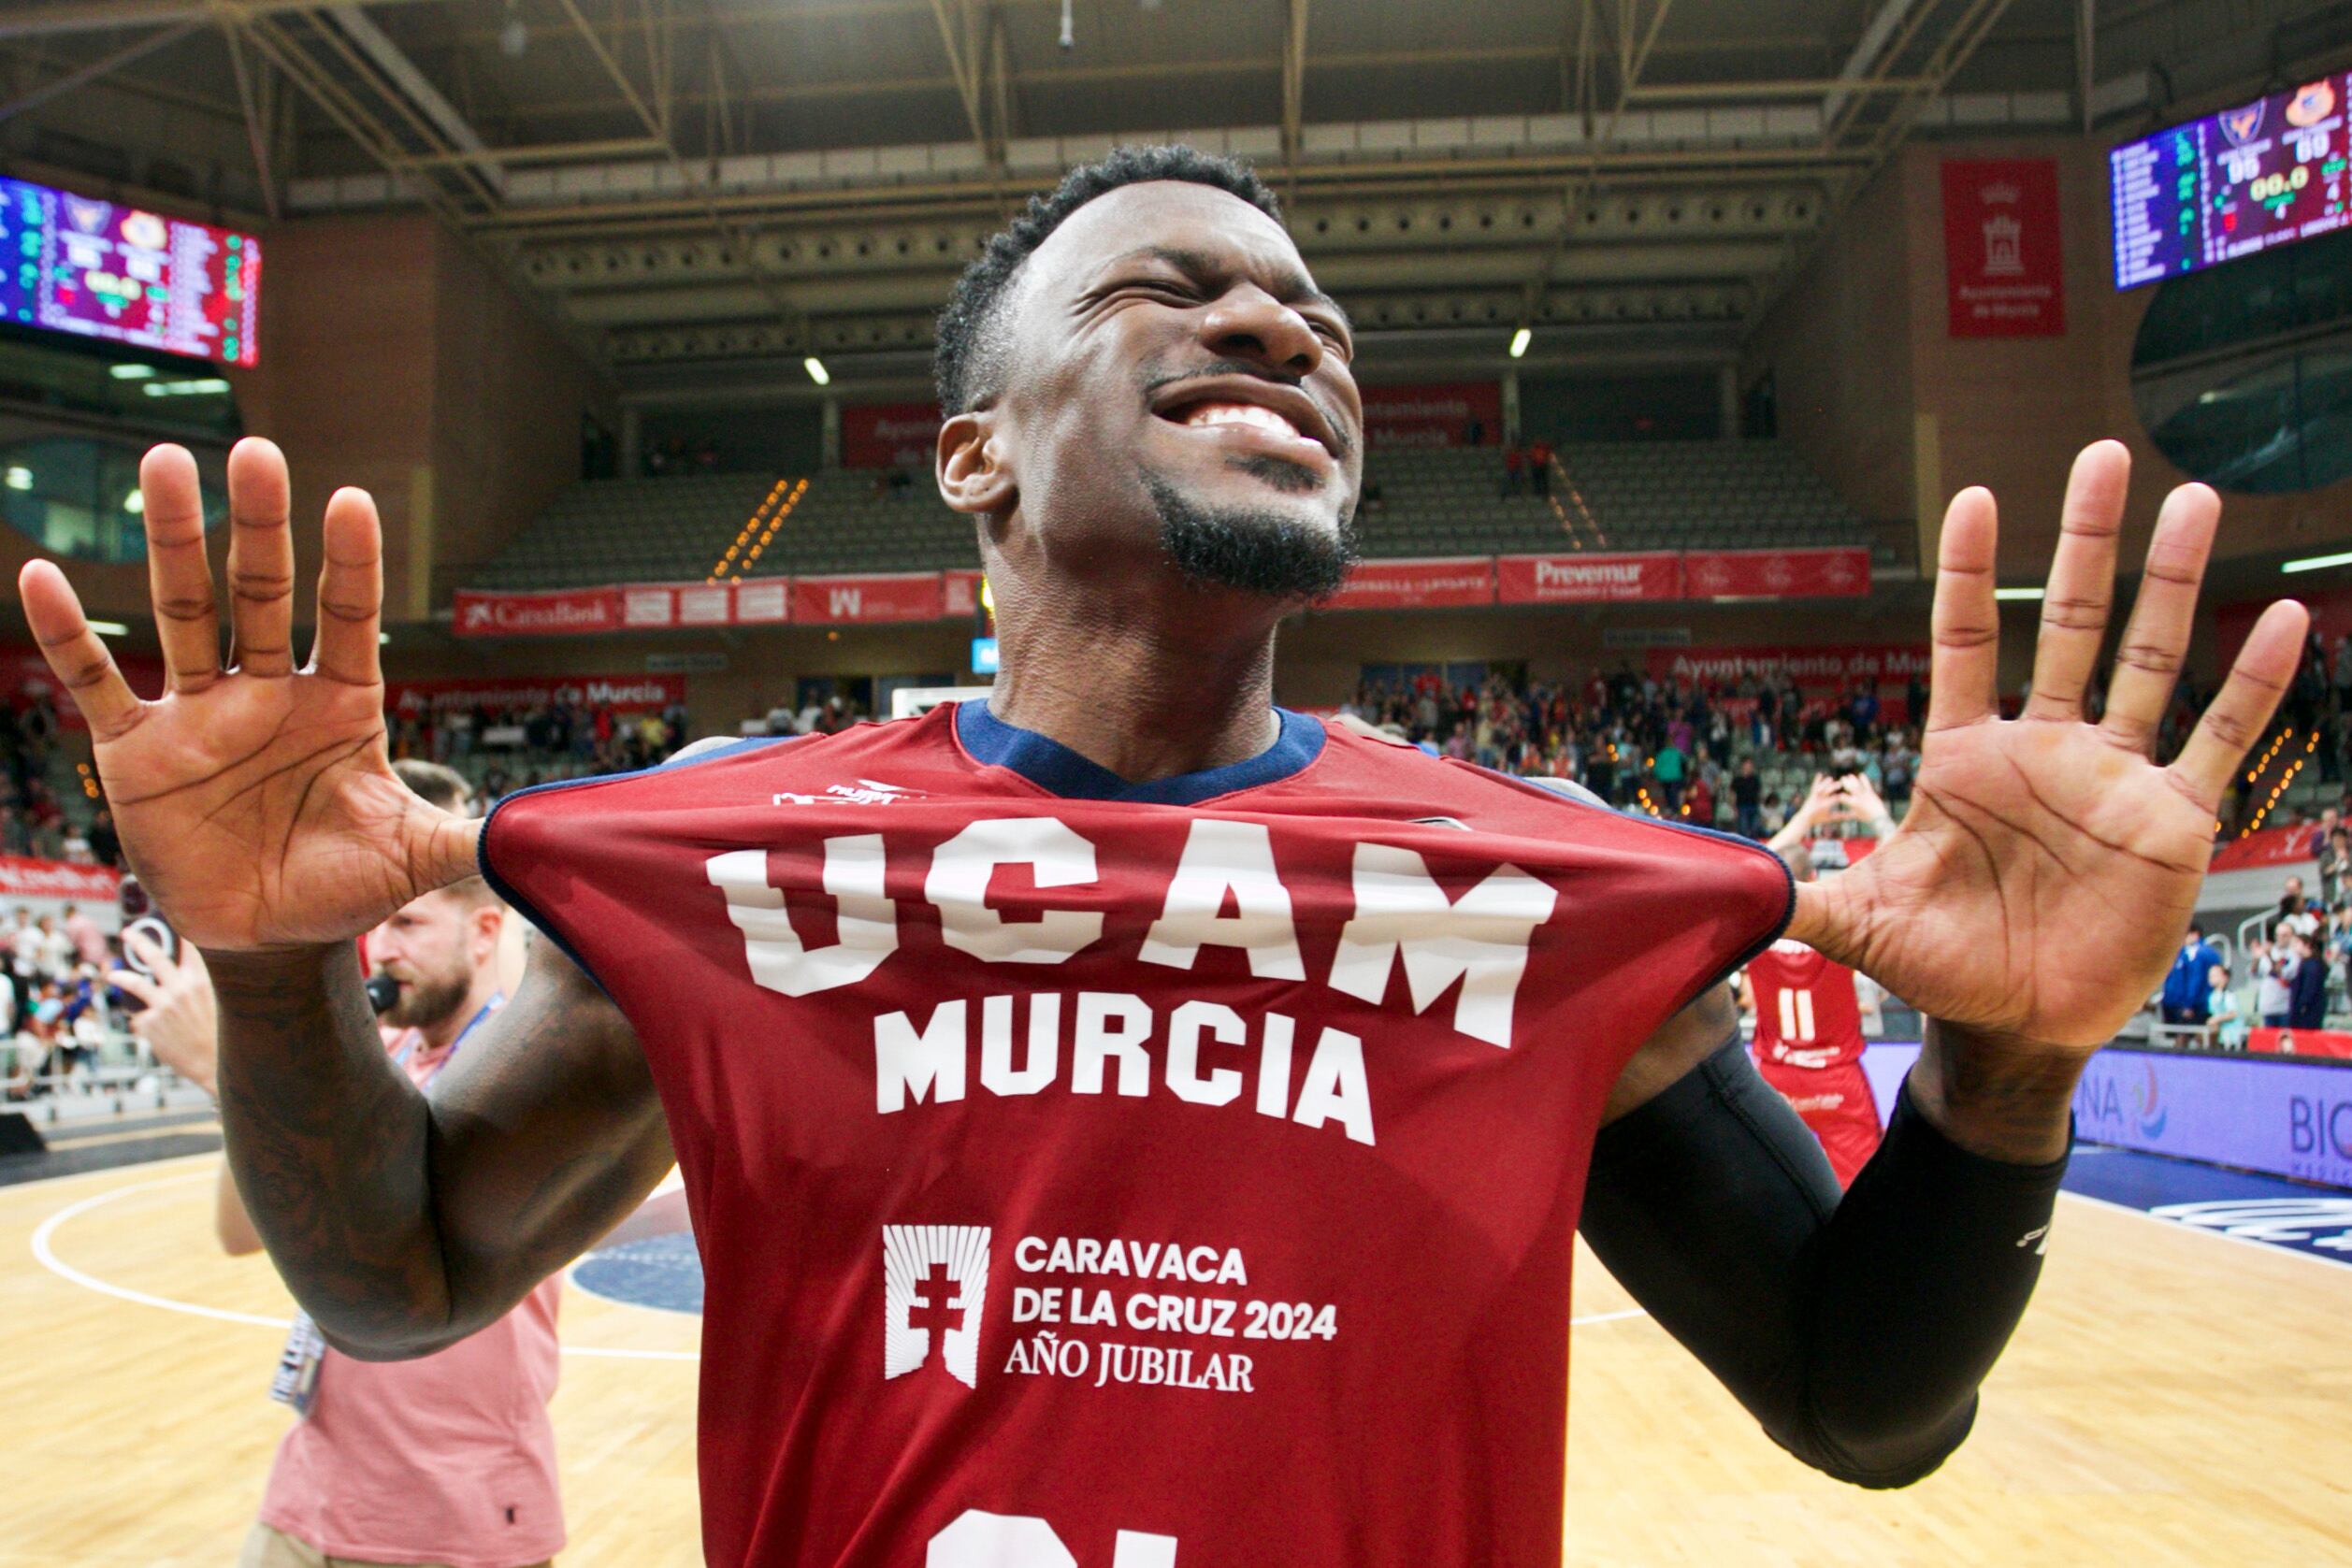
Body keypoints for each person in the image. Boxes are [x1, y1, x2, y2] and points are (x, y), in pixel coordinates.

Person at [22, 146, 2308, 1566]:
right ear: (971, 455)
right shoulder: (728, 859)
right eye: (1170, 294)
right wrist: (272, 968)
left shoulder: (1537, 877)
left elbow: (1861, 1394)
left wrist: (2006, 1072)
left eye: (1317, 323)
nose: (1280, 330)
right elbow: (392, 1275)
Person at [113, 825, 563, 1568]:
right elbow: (242, 1230)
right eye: (375, 926)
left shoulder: (519, 1074)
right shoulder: (378, 1059)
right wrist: (245, 1079)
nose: (380, 948)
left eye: (408, 922)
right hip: (311, 1490)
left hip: (453, 1516)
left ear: (485, 931)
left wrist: (226, 1072)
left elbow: (402, 1229)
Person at [1739, 839, 1883, 1187]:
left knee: (1768, 1188)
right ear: (1814, 877)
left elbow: (1745, 873)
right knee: (1862, 1191)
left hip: (1777, 1078)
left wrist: (1804, 815)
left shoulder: (1755, 931)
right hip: (1836, 1078)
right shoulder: (1838, 930)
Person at [2159, 924, 2223, 1030]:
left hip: (2190, 1004)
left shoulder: (2195, 952)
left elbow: (2195, 980)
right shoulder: (2206, 952)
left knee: (2184, 1035)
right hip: (2196, 1002)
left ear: (2194, 934)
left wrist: (2188, 1004)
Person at [2258, 926, 2298, 1029]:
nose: (2280, 938)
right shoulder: (2270, 952)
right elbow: (2263, 971)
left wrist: (2269, 956)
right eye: (2278, 935)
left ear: (2291, 936)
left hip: (2285, 1006)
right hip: (2268, 1004)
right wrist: (2257, 956)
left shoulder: (2294, 955)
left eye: (2284, 935)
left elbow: (2282, 973)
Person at [2288, 931, 2330, 1030]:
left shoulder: (2312, 965)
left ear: (2307, 945)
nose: (2294, 947)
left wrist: (2302, 1006)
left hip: (2308, 1010)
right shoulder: (2304, 963)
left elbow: (2309, 989)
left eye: (2297, 944)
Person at [2204, 962, 2248, 1051]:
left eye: (2215, 975)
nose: (2211, 978)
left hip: (2233, 1037)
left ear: (2225, 978)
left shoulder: (2229, 996)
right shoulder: (2212, 996)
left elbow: (2233, 1014)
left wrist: (2216, 1019)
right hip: (2221, 1036)